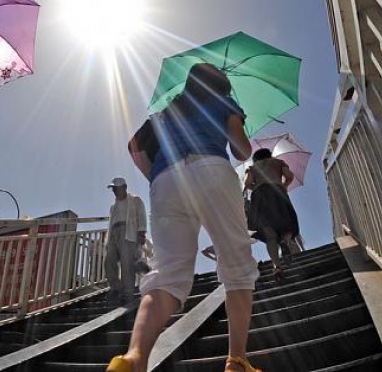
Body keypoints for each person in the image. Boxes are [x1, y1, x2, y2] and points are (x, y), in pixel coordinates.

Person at [108, 63, 261, 372]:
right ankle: (236, 361)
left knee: (168, 275)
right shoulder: (224, 102)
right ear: (221, 83)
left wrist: (155, 175)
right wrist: (237, 126)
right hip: (212, 170)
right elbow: (243, 151)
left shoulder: (165, 113)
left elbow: (134, 146)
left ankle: (134, 358)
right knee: (237, 265)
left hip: (167, 180)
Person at [244, 148, 300, 281]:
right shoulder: (279, 162)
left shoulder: (252, 167)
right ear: (269, 155)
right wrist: (284, 185)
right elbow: (290, 176)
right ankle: (285, 241)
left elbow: (247, 183)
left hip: (260, 196)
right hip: (278, 191)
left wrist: (256, 187)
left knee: (270, 236)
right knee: (287, 225)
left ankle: (277, 266)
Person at [105, 177, 148, 304]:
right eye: (113, 189)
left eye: (116, 188)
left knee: (126, 263)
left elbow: (141, 215)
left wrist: (142, 232)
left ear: (124, 187)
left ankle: (128, 294)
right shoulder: (113, 207)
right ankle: (116, 288)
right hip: (114, 233)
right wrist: (109, 239)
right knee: (109, 260)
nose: (114, 191)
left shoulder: (135, 200)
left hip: (128, 231)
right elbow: (111, 223)